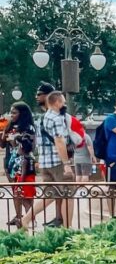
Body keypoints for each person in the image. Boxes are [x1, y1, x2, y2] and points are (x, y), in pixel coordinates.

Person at [23, 91, 75, 229]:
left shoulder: (43, 118)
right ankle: (68, 229)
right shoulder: (56, 118)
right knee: (68, 194)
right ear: (57, 102)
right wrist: (66, 164)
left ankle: (26, 219)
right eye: (63, 102)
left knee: (50, 194)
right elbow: (59, 141)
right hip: (58, 162)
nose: (64, 105)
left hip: (45, 162)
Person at [1, 102, 36, 227]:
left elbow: (29, 146)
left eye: (14, 113)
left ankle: (29, 218)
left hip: (23, 162)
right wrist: (4, 133)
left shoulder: (28, 128)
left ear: (22, 113)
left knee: (25, 193)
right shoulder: (10, 125)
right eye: (11, 112)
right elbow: (2, 145)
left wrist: (16, 138)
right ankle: (18, 216)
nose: (12, 115)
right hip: (10, 162)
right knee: (15, 191)